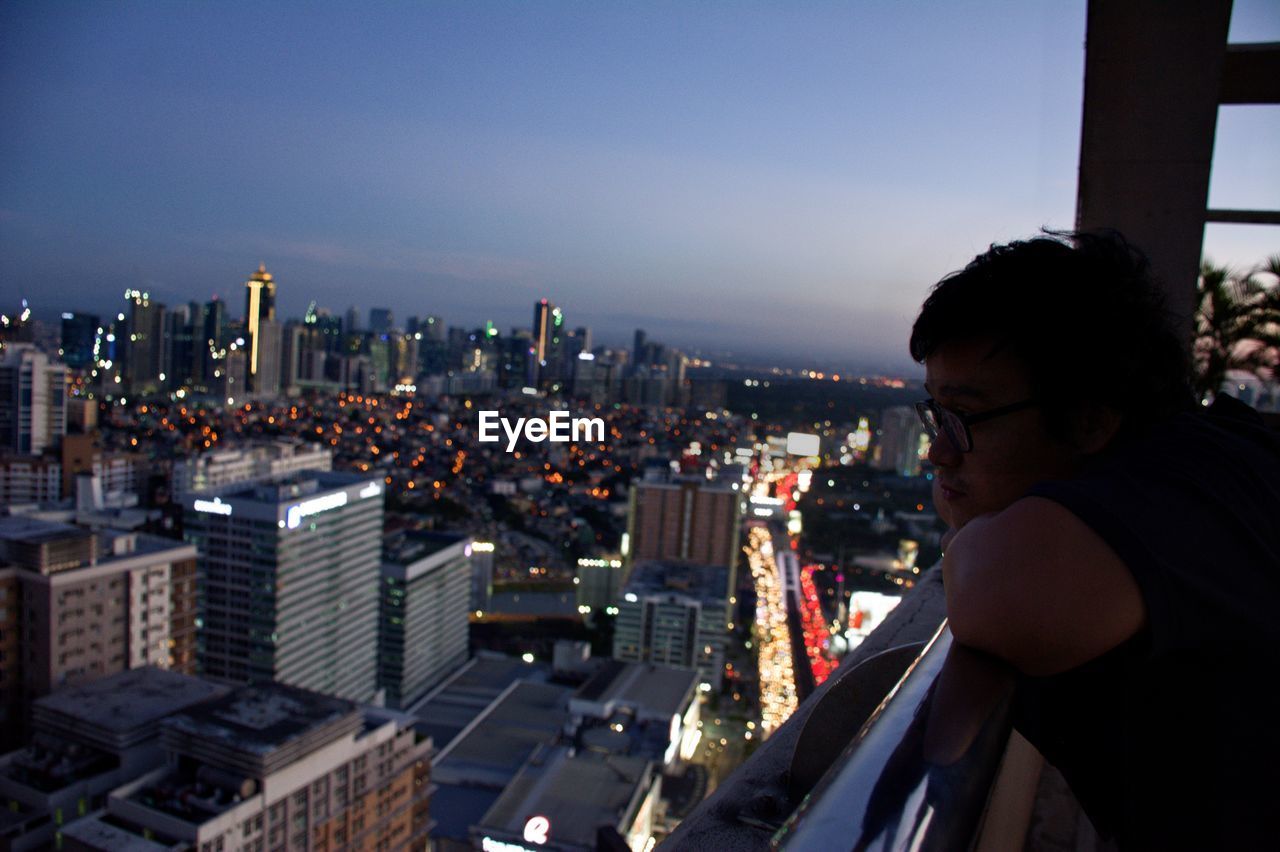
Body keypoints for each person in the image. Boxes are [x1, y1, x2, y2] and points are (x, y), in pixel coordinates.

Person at [908, 230, 1280, 849]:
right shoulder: (1221, 454)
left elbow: (998, 595)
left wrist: (968, 540)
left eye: (963, 418)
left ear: (1090, 419)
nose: (939, 451)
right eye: (934, 415)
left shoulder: (1171, 503)